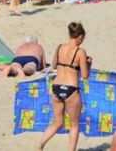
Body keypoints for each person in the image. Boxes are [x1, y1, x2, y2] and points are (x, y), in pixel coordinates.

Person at [38, 21, 91, 151]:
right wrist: (89, 64)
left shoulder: (60, 47)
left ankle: (40, 145)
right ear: (80, 36)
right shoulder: (80, 52)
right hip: (71, 89)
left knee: (57, 122)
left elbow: (55, 65)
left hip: (56, 87)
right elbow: (84, 75)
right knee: (74, 125)